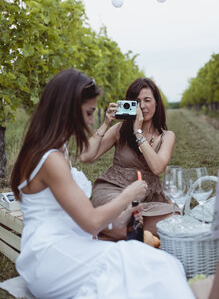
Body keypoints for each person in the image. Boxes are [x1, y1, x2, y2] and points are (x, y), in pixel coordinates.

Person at [11, 69, 194, 299]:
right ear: (66, 109)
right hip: (51, 255)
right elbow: (91, 220)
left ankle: (131, 235)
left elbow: (157, 168)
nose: (91, 120)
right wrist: (128, 195)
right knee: (156, 266)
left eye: (147, 100)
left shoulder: (55, 151)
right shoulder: (51, 158)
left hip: (66, 244)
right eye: (89, 113)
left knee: (154, 262)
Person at [80, 77, 177, 240]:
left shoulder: (167, 136)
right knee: (124, 212)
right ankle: (127, 228)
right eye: (136, 102)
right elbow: (86, 156)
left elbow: (157, 167)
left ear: (156, 103)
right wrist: (105, 124)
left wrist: (138, 132)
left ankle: (114, 229)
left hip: (147, 198)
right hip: (113, 191)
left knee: (174, 216)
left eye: (147, 100)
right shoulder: (119, 129)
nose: (142, 107)